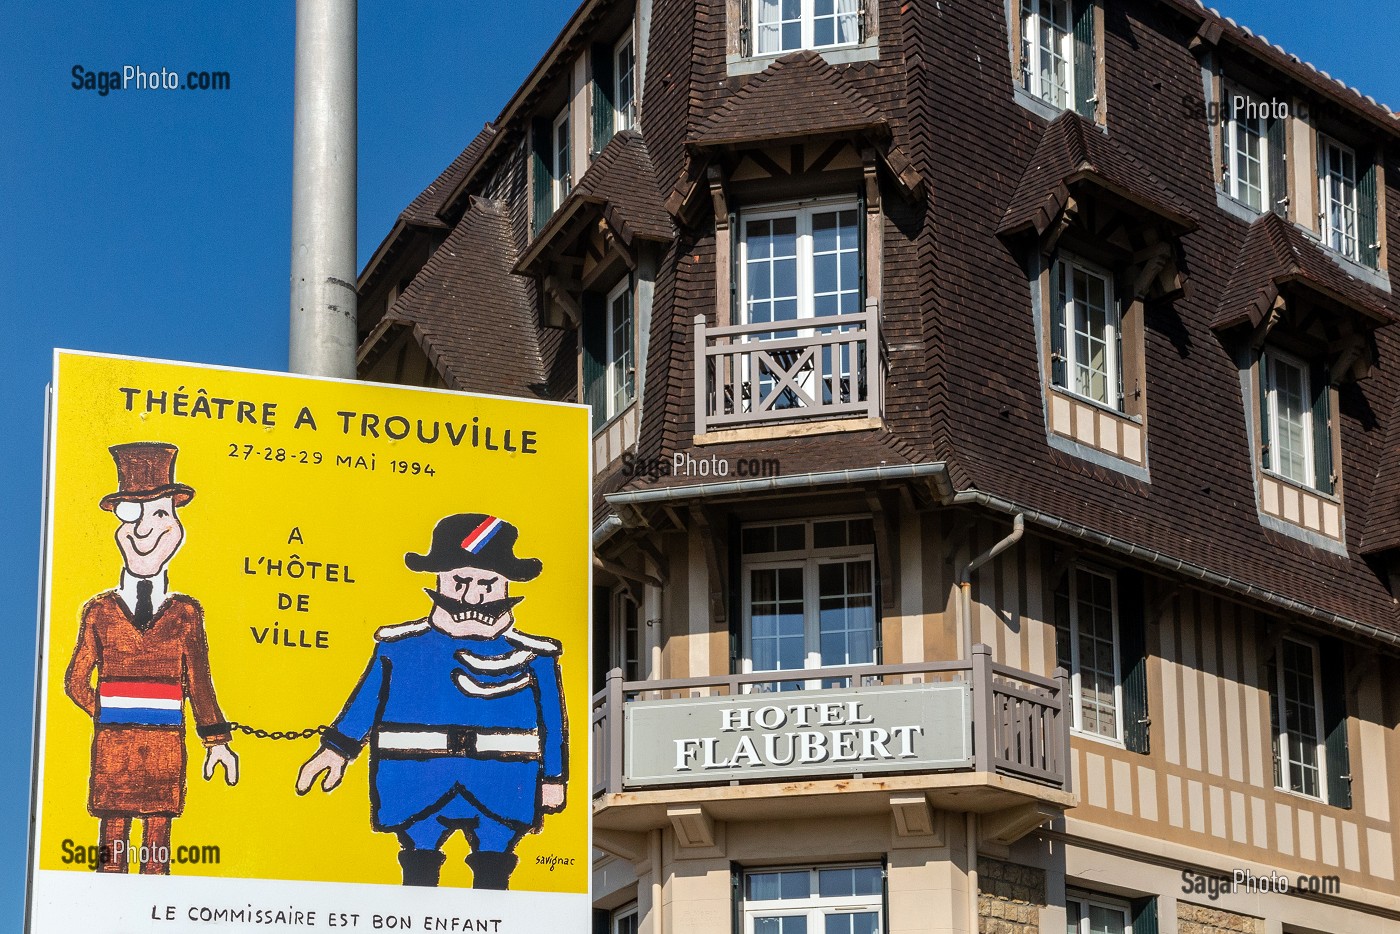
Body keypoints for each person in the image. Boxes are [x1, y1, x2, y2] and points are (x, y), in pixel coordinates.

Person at [297, 513, 567, 889]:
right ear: (438, 579)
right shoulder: (398, 647)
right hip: (415, 779)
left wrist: (554, 779)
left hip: (502, 782)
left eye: (487, 584)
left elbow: (553, 724)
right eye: (460, 582)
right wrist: (336, 751)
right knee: (418, 873)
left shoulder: (536, 656)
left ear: (506, 585)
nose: (473, 596)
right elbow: (365, 703)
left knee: (495, 874)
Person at [64, 441, 238, 874]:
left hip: (166, 754)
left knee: (157, 856)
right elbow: (74, 680)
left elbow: (200, 683)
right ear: (117, 527)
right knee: (110, 852)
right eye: (130, 515)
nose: (143, 530)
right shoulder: (99, 612)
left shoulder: (186, 614)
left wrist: (217, 742)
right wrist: (107, 709)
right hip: (113, 753)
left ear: (177, 525)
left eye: (159, 513)